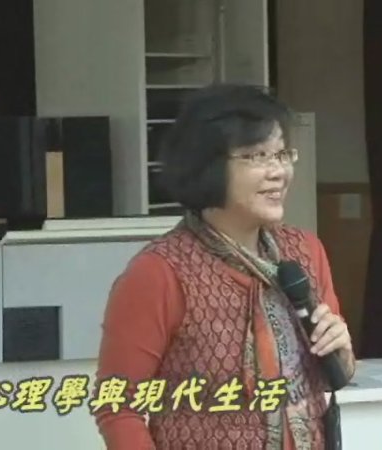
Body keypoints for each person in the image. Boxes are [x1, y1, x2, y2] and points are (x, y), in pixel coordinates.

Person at [92, 83, 356, 449]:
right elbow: (117, 406)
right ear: (209, 165)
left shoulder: (305, 252)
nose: (279, 172)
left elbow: (333, 376)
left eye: (282, 154)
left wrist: (342, 352)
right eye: (258, 156)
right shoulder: (160, 273)